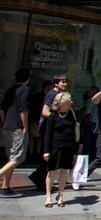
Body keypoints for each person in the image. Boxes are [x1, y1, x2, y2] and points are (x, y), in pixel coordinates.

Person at [28, 74, 67, 191]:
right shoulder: (52, 95)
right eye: (62, 82)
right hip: (47, 129)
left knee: (51, 156)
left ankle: (40, 178)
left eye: (65, 82)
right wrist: (58, 119)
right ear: (56, 83)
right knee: (49, 156)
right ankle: (39, 178)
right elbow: (45, 111)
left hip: (52, 129)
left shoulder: (57, 94)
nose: (65, 84)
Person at [42, 92, 78, 208]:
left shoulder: (72, 113)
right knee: (52, 172)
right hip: (56, 147)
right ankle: (48, 195)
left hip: (69, 147)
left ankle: (60, 195)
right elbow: (48, 134)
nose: (71, 102)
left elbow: (75, 130)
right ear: (63, 102)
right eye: (69, 100)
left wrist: (78, 145)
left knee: (64, 171)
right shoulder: (53, 116)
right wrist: (46, 150)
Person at [0, 67, 32, 196]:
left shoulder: (10, 90)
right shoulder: (26, 90)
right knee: (17, 157)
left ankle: (5, 186)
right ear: (28, 79)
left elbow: (1, 109)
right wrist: (25, 126)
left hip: (7, 126)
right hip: (17, 127)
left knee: (11, 157)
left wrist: (4, 122)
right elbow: (23, 109)